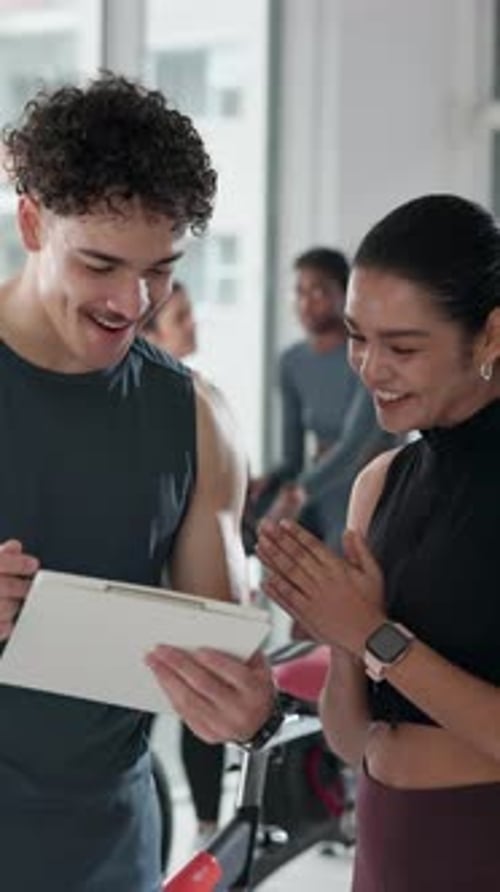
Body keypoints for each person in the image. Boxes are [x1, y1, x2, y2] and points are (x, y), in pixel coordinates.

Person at [0, 72, 274, 892]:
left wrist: (247, 709)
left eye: (163, 270)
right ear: (32, 223)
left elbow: (219, 657)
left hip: (106, 847)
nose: (135, 301)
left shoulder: (196, 419)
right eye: (101, 264)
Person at [255, 194, 500, 889]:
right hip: (388, 840)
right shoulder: (380, 481)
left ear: (489, 336)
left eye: (403, 347)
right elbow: (350, 739)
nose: (368, 368)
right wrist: (341, 636)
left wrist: (374, 636)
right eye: (359, 335)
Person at [143, 279, 225, 849]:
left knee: (205, 703)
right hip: (148, 603)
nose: (193, 325)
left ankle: (207, 827)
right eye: (182, 316)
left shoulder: (202, 404)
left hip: (194, 599)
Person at [249, 247, 392, 547]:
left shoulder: (367, 354)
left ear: (345, 295)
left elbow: (356, 445)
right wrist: (270, 482)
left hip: (366, 484)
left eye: (319, 291)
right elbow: (292, 458)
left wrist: (298, 491)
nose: (306, 302)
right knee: (260, 528)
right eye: (299, 292)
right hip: (318, 485)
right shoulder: (291, 361)